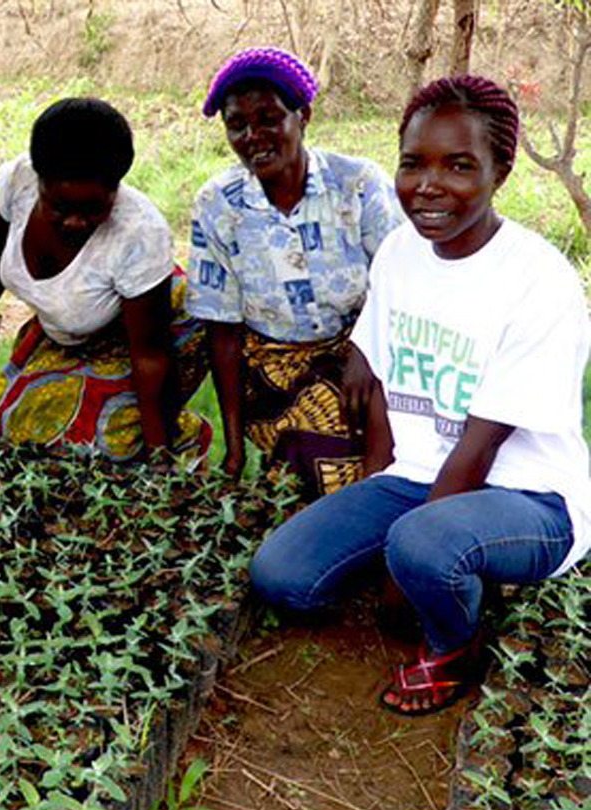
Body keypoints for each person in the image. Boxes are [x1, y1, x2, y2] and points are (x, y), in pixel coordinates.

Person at [250, 76, 591, 716]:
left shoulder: (539, 281)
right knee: (282, 577)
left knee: (424, 545)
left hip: (528, 499)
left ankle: (453, 644)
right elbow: (380, 385)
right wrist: (374, 495)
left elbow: (483, 443)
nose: (428, 186)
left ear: (501, 171)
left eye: (459, 166)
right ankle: (433, 566)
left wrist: (402, 557)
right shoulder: (402, 254)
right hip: (418, 479)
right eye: (413, 163)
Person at [0, 98, 209, 463]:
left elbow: (150, 355)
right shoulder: (18, 182)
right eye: (60, 207)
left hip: (152, 327)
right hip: (70, 328)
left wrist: (157, 452)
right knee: (0, 438)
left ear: (116, 189)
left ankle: (183, 432)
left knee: (98, 449)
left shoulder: (139, 233)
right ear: (38, 180)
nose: (75, 222)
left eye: (93, 210)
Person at [188, 47, 404, 497]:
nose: (253, 136)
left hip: (363, 351)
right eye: (237, 125)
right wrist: (233, 448)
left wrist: (366, 357)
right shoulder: (219, 205)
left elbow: (402, 284)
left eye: (269, 118)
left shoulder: (358, 186)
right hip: (271, 369)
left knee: (376, 448)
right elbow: (221, 328)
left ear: (302, 116)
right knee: (312, 459)